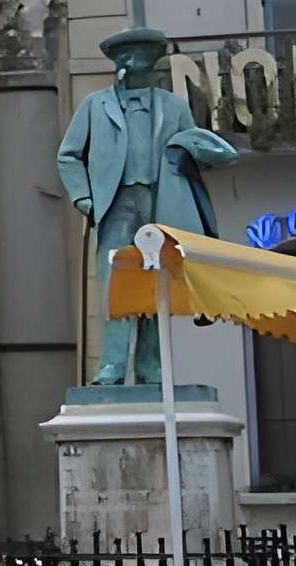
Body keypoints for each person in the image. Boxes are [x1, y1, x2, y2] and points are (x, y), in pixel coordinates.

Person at [56, 25, 240, 387]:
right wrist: (83, 197)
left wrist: (199, 154)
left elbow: (193, 152)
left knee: (156, 284)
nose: (133, 63)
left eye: (142, 56)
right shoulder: (96, 105)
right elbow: (68, 156)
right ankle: (111, 365)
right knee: (115, 284)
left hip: (161, 201)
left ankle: (150, 366)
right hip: (115, 203)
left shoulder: (173, 106)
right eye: (127, 57)